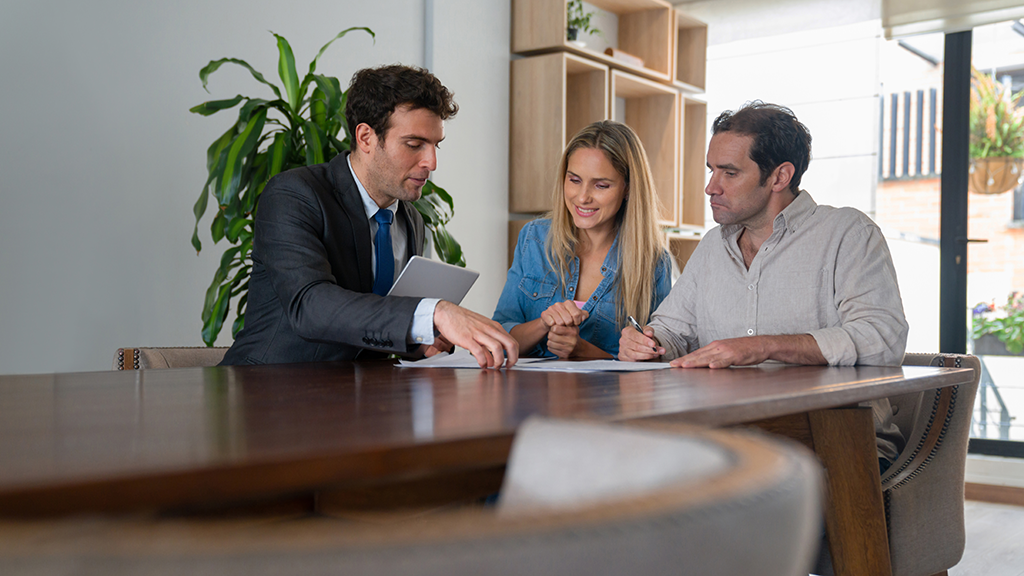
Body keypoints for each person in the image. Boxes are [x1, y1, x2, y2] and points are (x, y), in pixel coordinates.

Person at [618, 101, 909, 466]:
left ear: (779, 177)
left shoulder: (847, 233)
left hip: (837, 439)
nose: (711, 187)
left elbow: (882, 338)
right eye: (711, 171)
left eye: (729, 173)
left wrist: (764, 346)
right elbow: (672, 332)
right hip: (731, 438)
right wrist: (647, 343)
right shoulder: (712, 247)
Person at [221, 64, 518, 369]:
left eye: (435, 145)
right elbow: (310, 307)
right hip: (268, 393)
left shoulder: (411, 219)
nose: (431, 162)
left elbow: (375, 329)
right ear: (365, 137)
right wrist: (435, 312)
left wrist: (421, 339)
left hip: (361, 398)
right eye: (414, 145)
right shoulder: (293, 194)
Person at [493, 121, 672, 359]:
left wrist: (583, 350)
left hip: (605, 396)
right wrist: (544, 324)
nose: (582, 197)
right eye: (574, 180)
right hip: (529, 394)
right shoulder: (534, 238)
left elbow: (652, 363)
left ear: (628, 189)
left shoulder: (654, 263)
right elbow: (500, 337)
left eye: (601, 185)